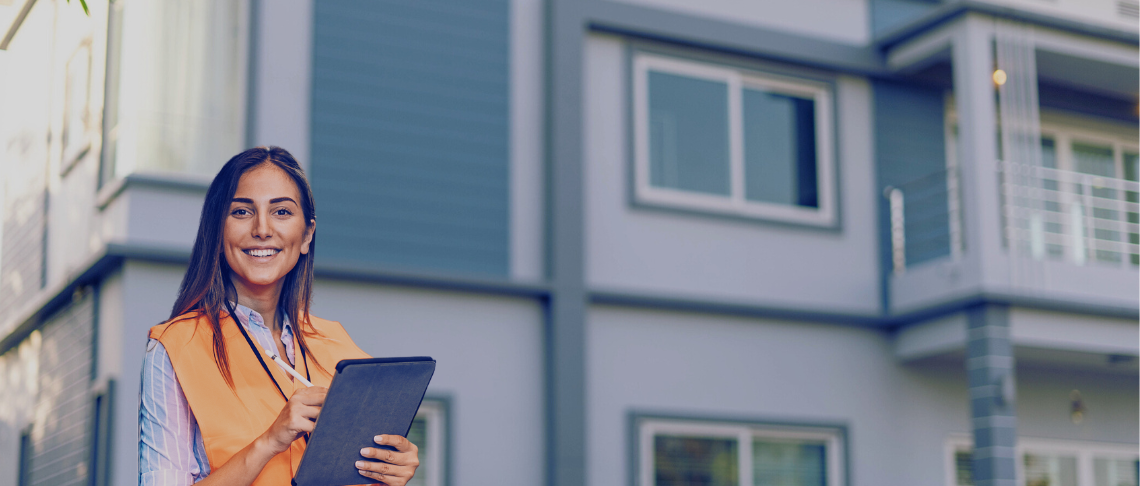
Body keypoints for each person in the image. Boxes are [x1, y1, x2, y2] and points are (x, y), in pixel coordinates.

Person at [138, 147, 419, 486]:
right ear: (218, 230)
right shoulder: (175, 347)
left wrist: (390, 470)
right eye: (242, 212)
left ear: (307, 235)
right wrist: (269, 441)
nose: (262, 228)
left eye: (282, 211)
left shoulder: (339, 347)